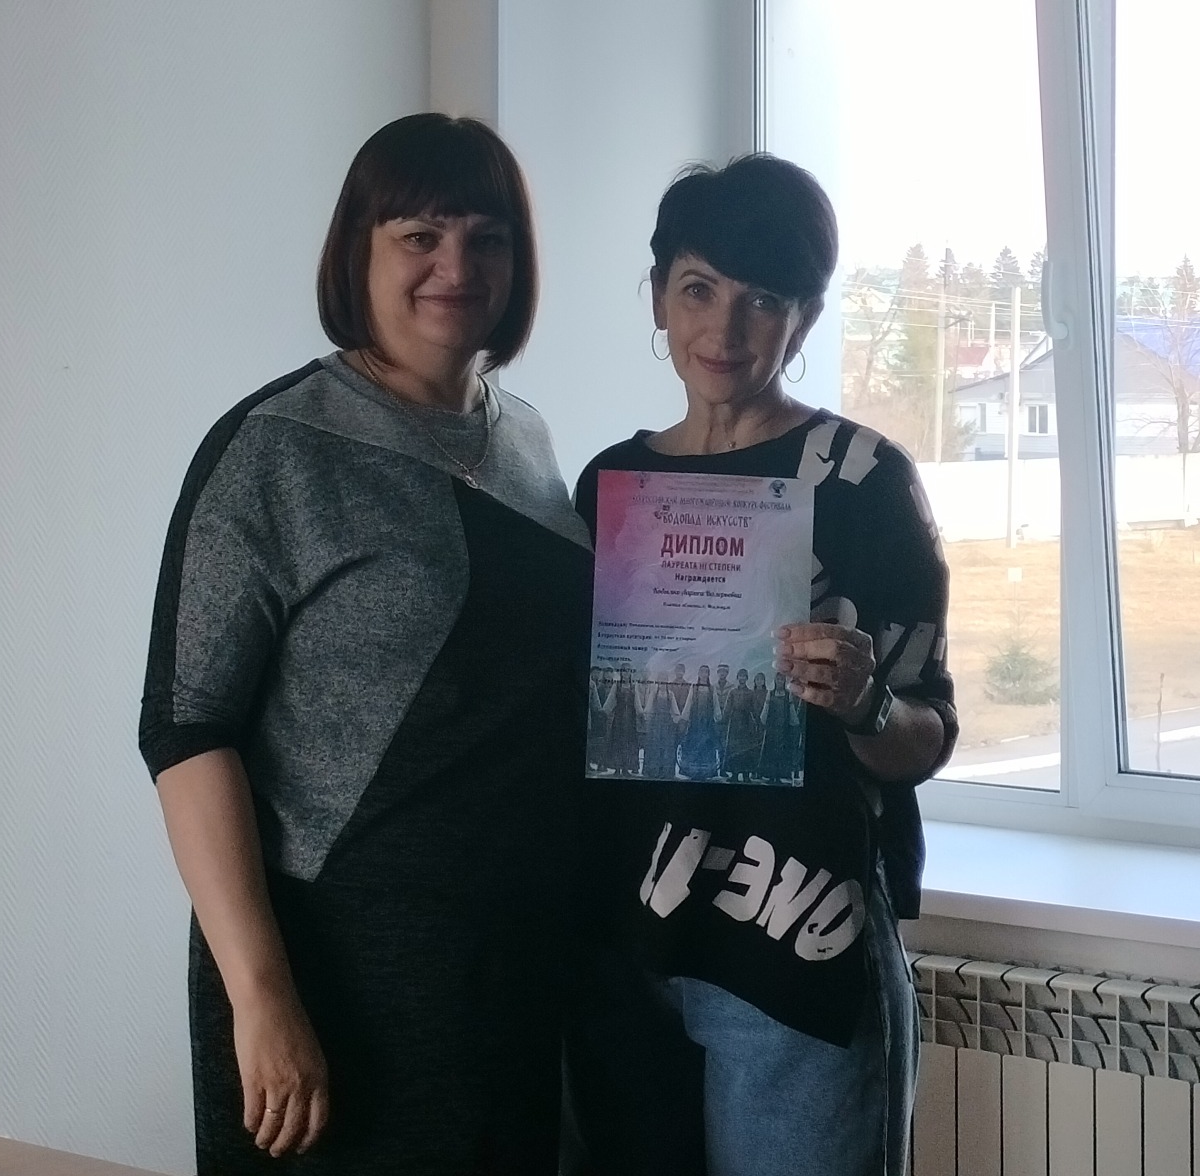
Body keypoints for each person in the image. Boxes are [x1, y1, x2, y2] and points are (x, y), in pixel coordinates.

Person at [138, 113, 591, 1174]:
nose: (457, 267)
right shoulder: (276, 448)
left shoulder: (526, 439)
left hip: (512, 966)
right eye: (419, 236)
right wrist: (262, 999)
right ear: (359, 253)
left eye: (487, 239)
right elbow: (186, 731)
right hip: (337, 972)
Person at [565, 154, 957, 1176]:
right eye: (699, 289)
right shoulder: (610, 484)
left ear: (805, 318)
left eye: (764, 300)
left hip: (794, 938)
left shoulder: (865, 482)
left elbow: (926, 735)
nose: (725, 329)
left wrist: (866, 702)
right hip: (627, 943)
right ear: (659, 297)